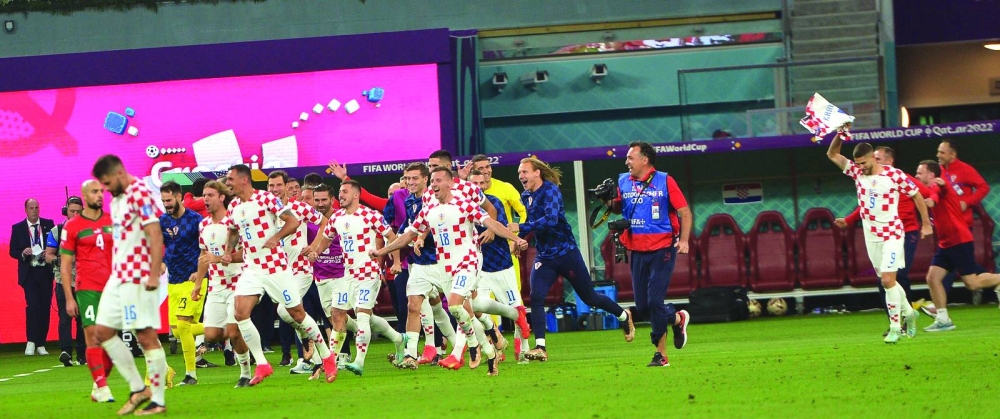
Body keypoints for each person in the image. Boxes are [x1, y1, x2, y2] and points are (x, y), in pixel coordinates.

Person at [375, 167, 529, 376]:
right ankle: (494, 343)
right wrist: (382, 251)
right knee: (467, 307)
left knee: (456, 305)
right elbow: (408, 234)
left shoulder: (464, 203)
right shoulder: (428, 207)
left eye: (438, 180)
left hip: (468, 259)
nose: (434, 184)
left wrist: (516, 238)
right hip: (445, 265)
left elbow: (491, 222)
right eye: (433, 181)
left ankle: (469, 347)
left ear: (450, 182)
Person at [509, 157, 635, 361]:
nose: (520, 176)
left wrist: (520, 227)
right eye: (519, 173)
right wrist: (519, 239)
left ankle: (623, 315)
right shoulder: (526, 196)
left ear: (537, 173)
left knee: (589, 297)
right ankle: (540, 347)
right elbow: (532, 220)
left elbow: (551, 220)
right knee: (536, 296)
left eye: (524, 172)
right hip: (545, 256)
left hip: (566, 253)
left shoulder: (550, 190)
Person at [224, 164, 337, 385]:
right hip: (252, 268)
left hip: (275, 266)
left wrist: (276, 237)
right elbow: (233, 230)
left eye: (230, 179)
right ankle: (262, 363)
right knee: (240, 313)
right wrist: (228, 251)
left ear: (244, 180)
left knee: (296, 313)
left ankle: (326, 355)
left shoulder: (265, 199)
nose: (227, 183)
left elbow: (293, 221)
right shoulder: (234, 205)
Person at [825, 134, 931, 343]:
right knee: (888, 280)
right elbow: (832, 154)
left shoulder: (894, 175)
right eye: (858, 164)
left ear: (873, 158)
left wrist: (926, 223)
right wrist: (840, 134)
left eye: (863, 163)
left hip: (892, 233)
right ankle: (910, 313)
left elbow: (917, 195)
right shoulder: (857, 173)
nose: (861, 167)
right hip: (871, 237)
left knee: (887, 280)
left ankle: (895, 328)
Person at [90, 154, 168, 415]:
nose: (105, 189)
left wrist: (154, 274)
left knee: (145, 335)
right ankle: (138, 389)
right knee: (102, 330)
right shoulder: (117, 199)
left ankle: (158, 400)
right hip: (119, 276)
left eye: (107, 183)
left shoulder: (139, 193)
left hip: (138, 275)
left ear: (120, 173)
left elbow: (155, 234)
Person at [605, 141, 692, 367]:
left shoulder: (665, 180)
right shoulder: (623, 180)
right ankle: (677, 318)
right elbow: (618, 207)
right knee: (643, 307)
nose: (626, 162)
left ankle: (661, 355)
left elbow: (684, 212)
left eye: (630, 158)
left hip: (663, 248)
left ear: (645, 160)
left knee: (654, 301)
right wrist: (607, 199)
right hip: (636, 250)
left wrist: (684, 240)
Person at [308, 179, 405, 376]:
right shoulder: (336, 218)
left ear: (355, 195)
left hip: (368, 272)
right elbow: (326, 239)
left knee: (361, 315)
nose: (341, 195)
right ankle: (398, 339)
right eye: (340, 191)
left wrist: (395, 262)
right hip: (347, 275)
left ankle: (358, 362)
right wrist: (316, 252)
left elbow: (392, 237)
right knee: (341, 314)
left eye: (344, 191)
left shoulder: (371, 215)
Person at [914, 160, 1000, 332]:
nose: (917, 176)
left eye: (920, 173)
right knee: (933, 278)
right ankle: (943, 320)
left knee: (972, 284)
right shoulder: (929, 188)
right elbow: (921, 189)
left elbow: (937, 193)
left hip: (959, 240)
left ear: (931, 175)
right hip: (946, 244)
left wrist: (932, 200)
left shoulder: (941, 185)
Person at [190, 180, 253, 387]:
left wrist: (220, 259)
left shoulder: (233, 223)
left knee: (233, 332)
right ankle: (246, 333)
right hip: (216, 287)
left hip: (238, 284)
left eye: (210, 195)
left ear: (222, 197)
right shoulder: (203, 225)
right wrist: (198, 284)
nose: (205, 199)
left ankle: (245, 374)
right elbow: (203, 256)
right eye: (204, 195)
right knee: (211, 335)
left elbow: (248, 253)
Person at [58, 182, 117, 402]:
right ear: (84, 196)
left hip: (111, 289)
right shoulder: (72, 226)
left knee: (111, 344)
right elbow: (65, 266)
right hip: (87, 289)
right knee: (93, 338)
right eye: (94, 192)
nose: (99, 195)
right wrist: (69, 297)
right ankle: (103, 387)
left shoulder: (112, 221)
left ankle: (97, 384)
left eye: (101, 191)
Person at [267, 170, 328, 373]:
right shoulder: (265, 211)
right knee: (293, 313)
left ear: (286, 187)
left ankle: (315, 352)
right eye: (271, 186)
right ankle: (313, 357)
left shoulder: (299, 207)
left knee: (284, 311)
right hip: (278, 271)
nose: (275, 189)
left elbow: (325, 223)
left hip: (301, 268)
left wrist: (314, 246)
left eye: (278, 185)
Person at [468, 170, 533, 363]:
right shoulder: (462, 206)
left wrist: (510, 238)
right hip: (479, 268)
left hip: (501, 265)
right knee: (477, 308)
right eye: (474, 183)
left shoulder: (494, 203)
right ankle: (495, 345)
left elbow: (501, 227)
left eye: (481, 183)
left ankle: (524, 350)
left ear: (486, 184)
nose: (478, 187)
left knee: (516, 307)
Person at [159, 181, 212, 386]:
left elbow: (206, 249)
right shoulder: (163, 221)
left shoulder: (196, 220)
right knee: (177, 330)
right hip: (173, 280)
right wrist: (162, 262)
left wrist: (199, 272)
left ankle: (191, 375)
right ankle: (220, 328)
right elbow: (164, 247)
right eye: (164, 201)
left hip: (194, 279)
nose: (166, 204)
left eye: (169, 200)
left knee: (182, 325)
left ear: (179, 197)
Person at [931, 139, 993, 310]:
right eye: (938, 151)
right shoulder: (939, 172)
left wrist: (968, 202)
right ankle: (940, 309)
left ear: (952, 155)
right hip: (946, 228)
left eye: (942, 152)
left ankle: (939, 307)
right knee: (961, 268)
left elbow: (983, 187)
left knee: (958, 272)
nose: (938, 155)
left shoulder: (965, 169)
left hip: (961, 227)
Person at [10, 198, 56, 356]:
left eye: (36, 207)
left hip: (45, 272)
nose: (34, 210)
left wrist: (48, 252)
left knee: (45, 307)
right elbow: (12, 250)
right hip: (29, 273)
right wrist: (23, 253)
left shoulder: (49, 224)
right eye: (31, 208)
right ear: (26, 210)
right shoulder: (18, 228)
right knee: (33, 306)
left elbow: (55, 245)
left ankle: (41, 343)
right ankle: (31, 341)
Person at [45, 195, 86, 366]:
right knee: (64, 316)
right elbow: (48, 255)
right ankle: (66, 351)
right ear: (65, 211)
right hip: (63, 279)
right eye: (72, 211)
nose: (75, 214)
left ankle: (82, 354)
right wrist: (57, 260)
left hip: (84, 280)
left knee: (83, 318)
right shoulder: (57, 231)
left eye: (78, 211)